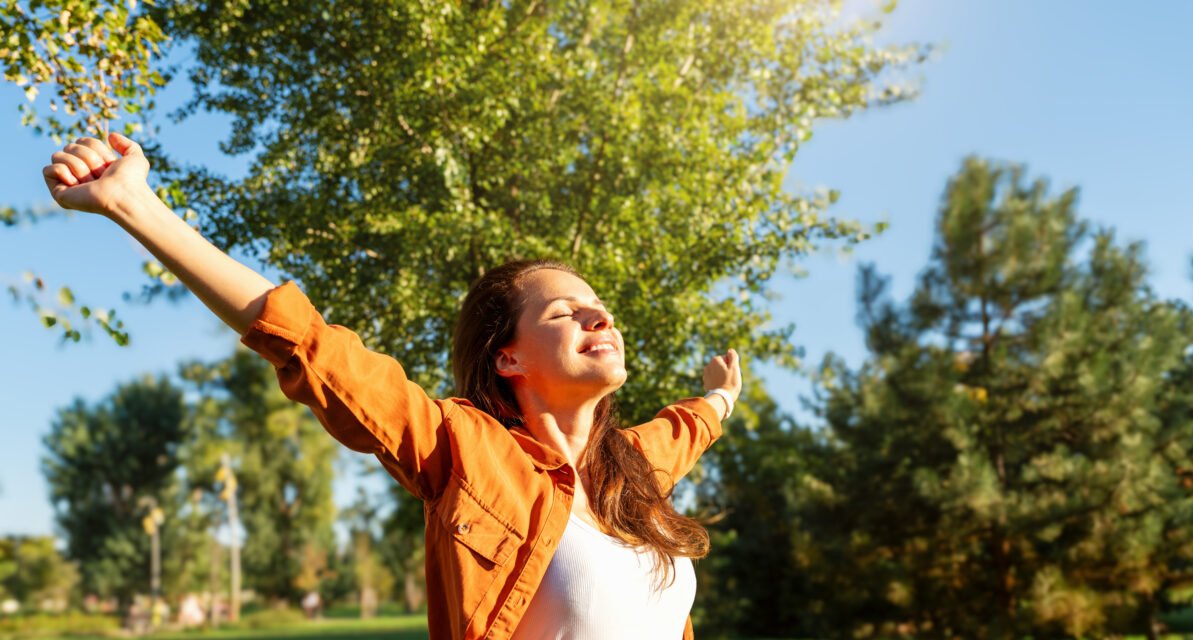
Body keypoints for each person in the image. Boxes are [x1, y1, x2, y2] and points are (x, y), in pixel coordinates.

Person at [42, 134, 742, 640]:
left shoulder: (633, 471)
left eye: (599, 306)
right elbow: (311, 346)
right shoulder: (465, 448)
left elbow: (688, 427)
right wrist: (134, 205)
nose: (600, 315)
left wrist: (719, 396)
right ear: (508, 359)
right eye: (563, 312)